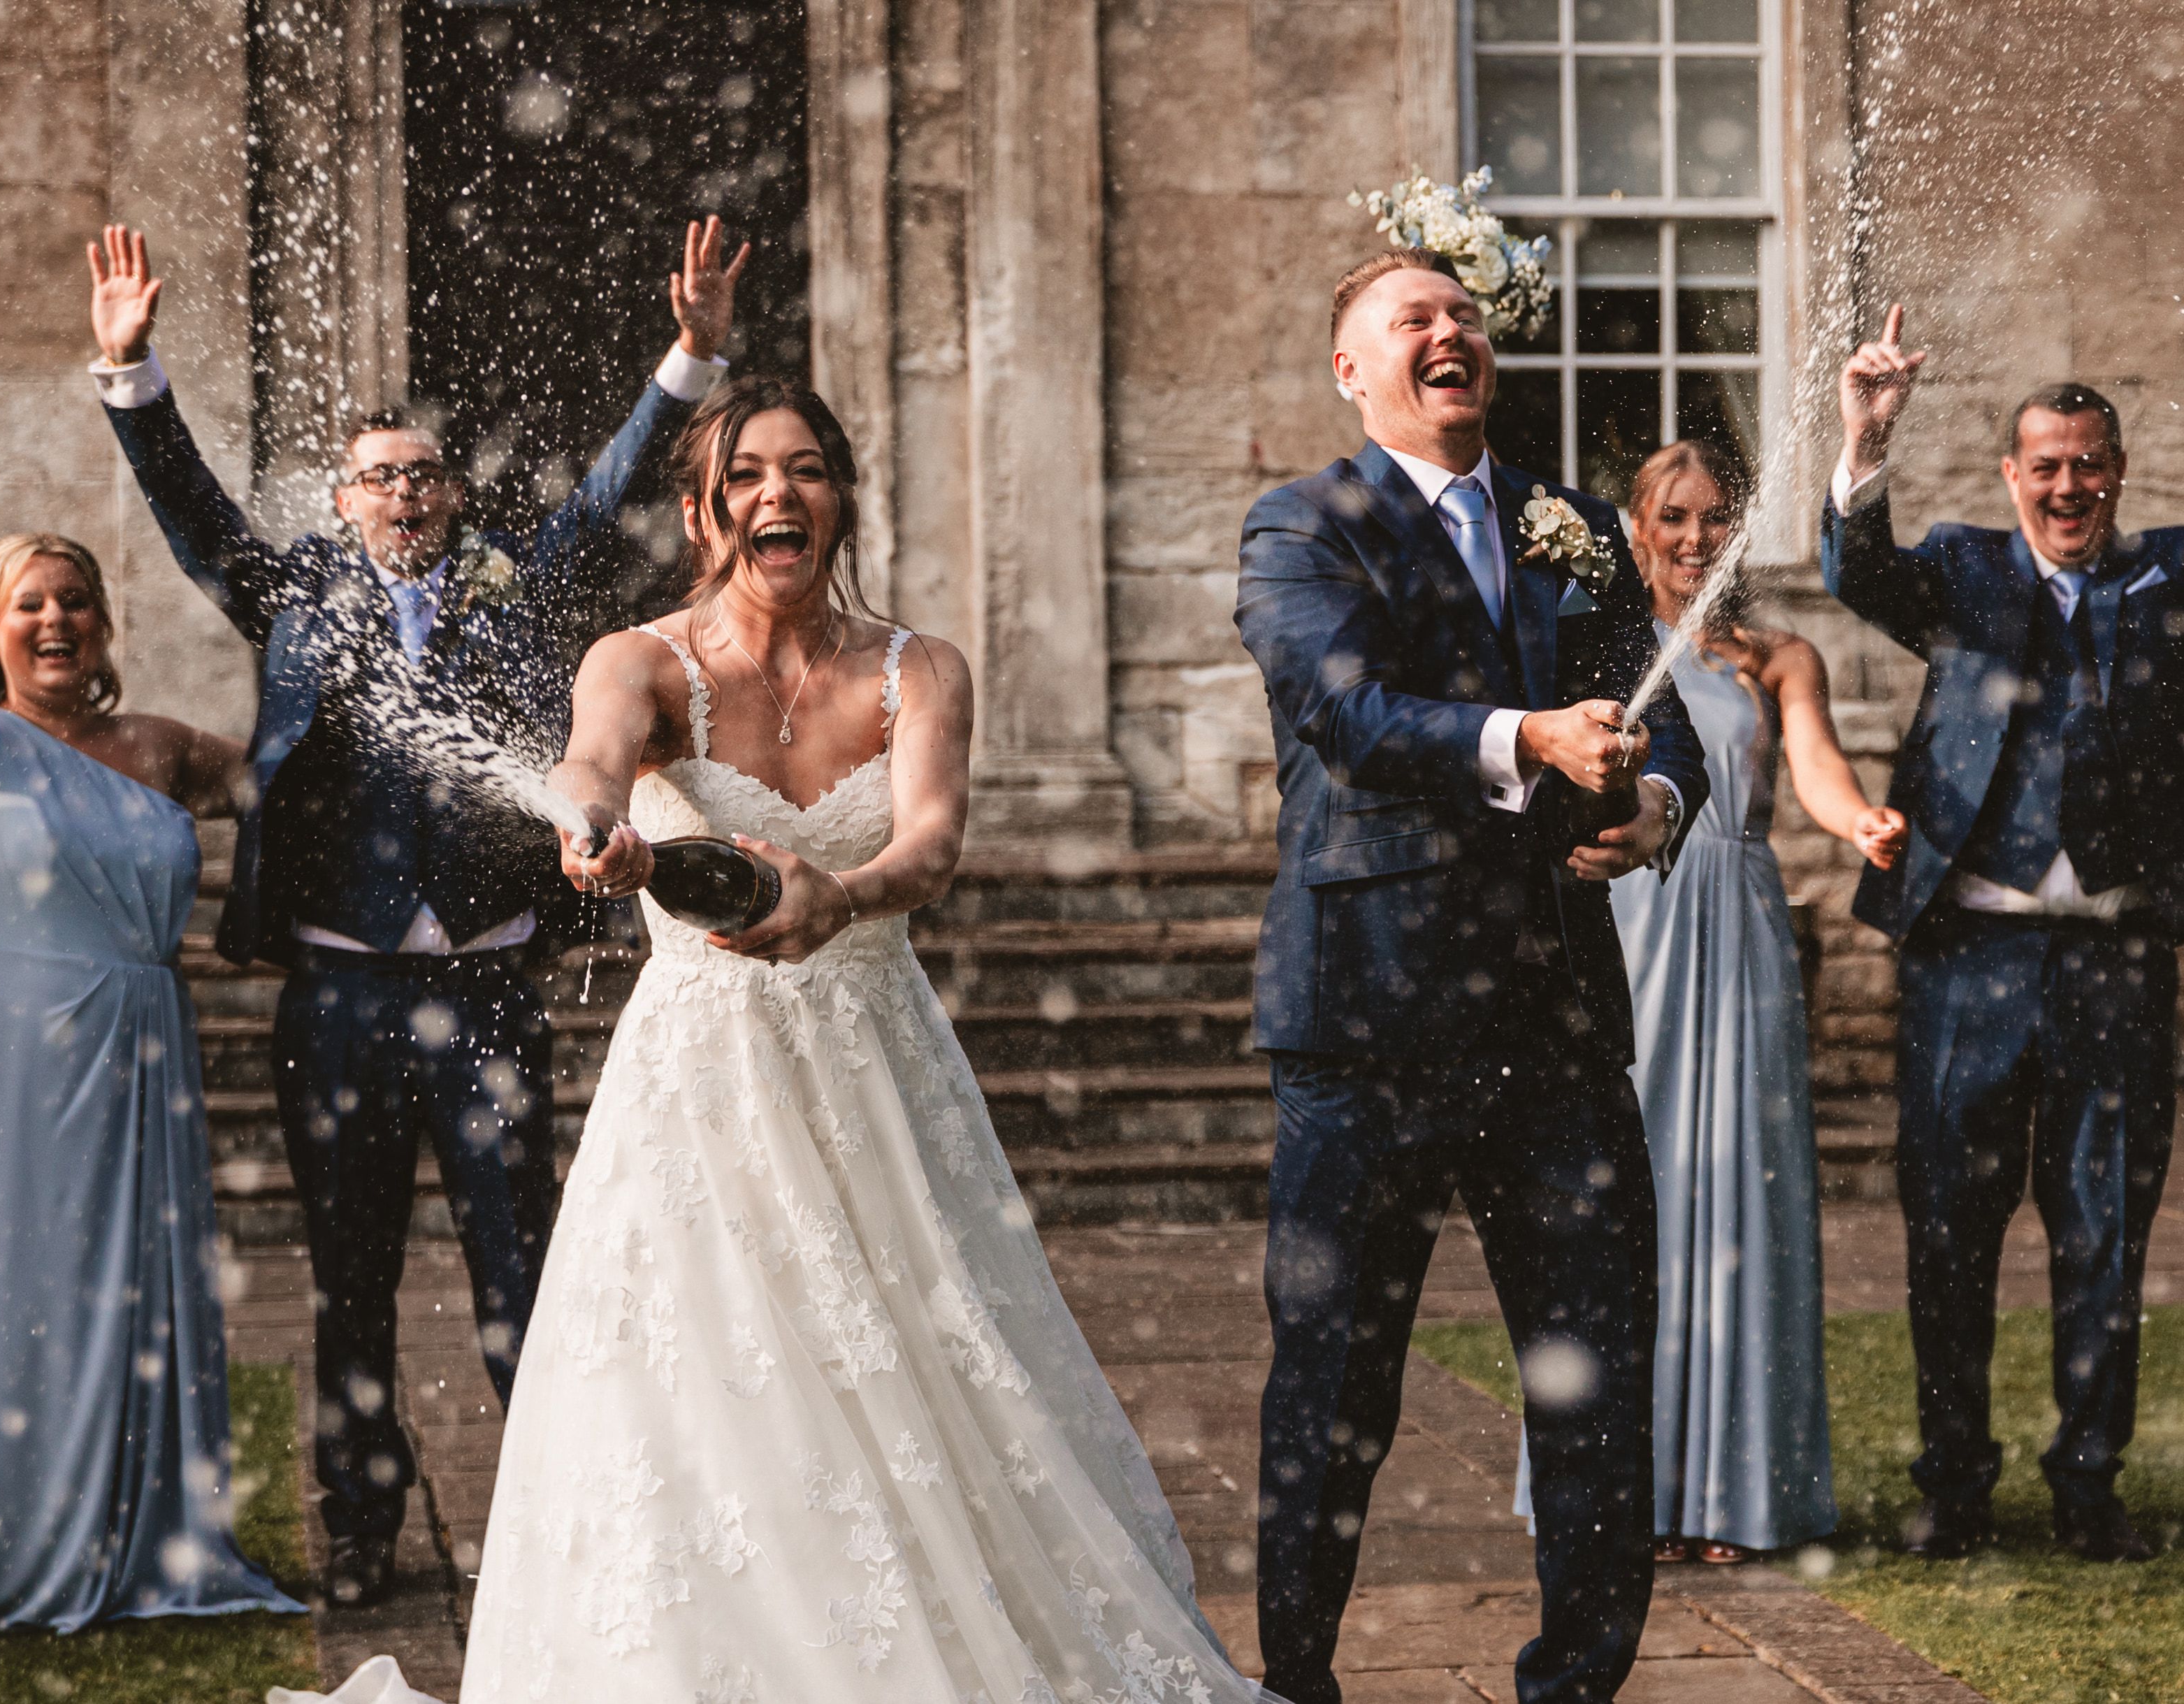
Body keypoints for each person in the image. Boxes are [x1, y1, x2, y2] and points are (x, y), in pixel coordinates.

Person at [414, 376, 1271, 1703]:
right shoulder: (639, 661)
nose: (779, 494)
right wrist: (588, 825)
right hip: (699, 1082)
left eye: (808, 470)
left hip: (879, 1061)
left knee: (927, 1360)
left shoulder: (922, 669)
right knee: (702, 1377)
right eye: (749, 474)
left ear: (842, 500)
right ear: (705, 513)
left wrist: (841, 895)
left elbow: (929, 842)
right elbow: (590, 762)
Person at [83, 219, 742, 1605]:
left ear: (453, 493)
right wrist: (131, 373)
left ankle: (565, 1525)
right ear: (342, 502)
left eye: (425, 474)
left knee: (526, 1273)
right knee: (350, 1279)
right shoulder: (292, 600)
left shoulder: (523, 586)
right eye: (377, 478)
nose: (404, 496)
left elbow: (623, 488)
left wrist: (689, 358)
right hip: (338, 999)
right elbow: (192, 511)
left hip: (489, 991)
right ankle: (361, 1531)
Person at [1234, 247, 1705, 1704]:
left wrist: (1655, 807)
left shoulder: (1562, 521)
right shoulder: (1300, 525)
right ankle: (1296, 1679)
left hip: (1553, 1023)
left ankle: (1572, 1684)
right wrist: (1526, 742)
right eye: (1408, 318)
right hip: (1366, 1020)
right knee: (1334, 1392)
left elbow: (1660, 706)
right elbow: (1346, 713)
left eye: (1458, 314)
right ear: (1350, 368)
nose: (1446, 332)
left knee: (1593, 1378)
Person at [1826, 304, 2184, 1563]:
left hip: (2114, 965)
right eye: (2046, 465)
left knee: (2105, 1233)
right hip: (1967, 961)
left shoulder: (2164, 577)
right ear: (2010, 476)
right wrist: (1866, 437)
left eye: (2089, 464)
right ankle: (1954, 1486)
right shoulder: (1964, 573)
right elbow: (1855, 574)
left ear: (2121, 473)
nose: (2068, 485)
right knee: (1948, 1236)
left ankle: (2092, 1487)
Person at [0, 431, 303, 1635]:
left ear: (103, 621)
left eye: (75, 600)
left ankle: (128, 1533)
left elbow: (315, 787)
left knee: (122, 1298)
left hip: (140, 1044)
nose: (55, 620)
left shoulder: (164, 748)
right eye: (27, 604)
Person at [1511, 439, 1907, 1564]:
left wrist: (1857, 822)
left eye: (1713, 520)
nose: (1693, 540)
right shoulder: (1593, 643)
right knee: (1624, 1206)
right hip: (1627, 926)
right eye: (1672, 518)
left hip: (1734, 931)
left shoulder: (1778, 657)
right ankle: (1618, 1493)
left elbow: (1817, 767)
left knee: (1738, 1197)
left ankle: (1731, 1489)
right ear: (1637, 530)